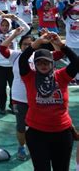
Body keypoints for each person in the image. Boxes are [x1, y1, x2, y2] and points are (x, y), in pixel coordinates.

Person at [19, 33, 79, 170]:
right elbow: (22, 60)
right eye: (39, 62)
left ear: (52, 63)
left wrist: (61, 45)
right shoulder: (29, 77)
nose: (43, 65)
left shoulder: (61, 76)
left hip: (62, 133)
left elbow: (76, 62)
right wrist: (36, 43)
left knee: (62, 168)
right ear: (35, 64)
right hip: (37, 134)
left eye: (46, 62)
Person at [0, 12, 30, 114]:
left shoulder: (14, 33)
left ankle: (13, 105)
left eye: (7, 25)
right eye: (2, 25)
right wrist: (2, 17)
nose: (4, 27)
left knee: (13, 87)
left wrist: (16, 18)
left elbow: (27, 28)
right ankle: (2, 107)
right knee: (1, 87)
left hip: (12, 65)